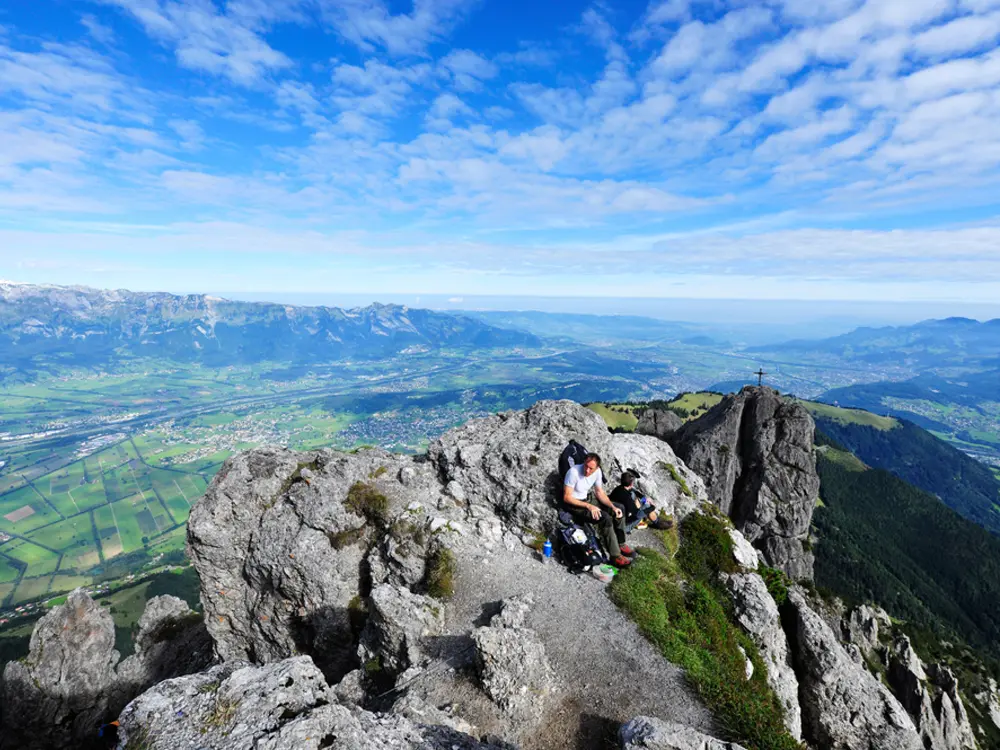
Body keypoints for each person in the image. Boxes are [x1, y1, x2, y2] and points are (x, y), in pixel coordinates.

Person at [562, 452, 635, 567]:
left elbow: (599, 492)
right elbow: (567, 497)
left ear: (597, 468)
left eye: (591, 468)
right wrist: (589, 506)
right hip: (575, 504)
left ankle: (620, 544)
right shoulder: (573, 472)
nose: (587, 470)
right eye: (586, 466)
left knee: (619, 508)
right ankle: (615, 556)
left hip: (588, 499)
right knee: (605, 518)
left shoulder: (597, 472)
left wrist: (612, 507)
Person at [609, 470, 674, 532]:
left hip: (615, 519)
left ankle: (656, 520)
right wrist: (652, 507)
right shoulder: (627, 498)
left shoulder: (618, 489)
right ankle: (658, 523)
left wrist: (644, 499)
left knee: (637, 497)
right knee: (647, 506)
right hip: (623, 526)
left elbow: (635, 492)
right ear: (631, 484)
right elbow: (638, 515)